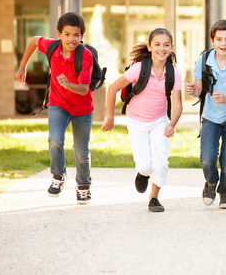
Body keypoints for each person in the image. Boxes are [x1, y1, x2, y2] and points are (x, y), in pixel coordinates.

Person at [15, 12, 94, 204]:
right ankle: (59, 176)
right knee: (55, 140)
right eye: (67, 34)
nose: (71, 39)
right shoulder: (51, 47)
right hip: (58, 104)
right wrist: (22, 66)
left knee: (81, 151)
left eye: (76, 35)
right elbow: (34, 40)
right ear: (59, 34)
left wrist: (68, 85)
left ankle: (83, 185)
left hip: (82, 109)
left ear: (82, 36)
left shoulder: (85, 55)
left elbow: (84, 89)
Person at [102, 28, 183, 212]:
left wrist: (171, 124)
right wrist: (110, 117)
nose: (161, 48)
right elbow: (113, 89)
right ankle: (143, 173)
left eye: (166, 45)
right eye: (157, 44)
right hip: (137, 121)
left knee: (161, 161)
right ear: (149, 47)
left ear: (171, 47)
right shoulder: (139, 68)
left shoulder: (174, 73)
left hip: (160, 121)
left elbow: (178, 105)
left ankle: (154, 198)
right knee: (145, 165)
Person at [185, 19, 226, 210]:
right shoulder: (203, 60)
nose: (223, 43)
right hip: (211, 117)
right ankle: (211, 183)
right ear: (212, 40)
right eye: (219, 39)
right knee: (207, 158)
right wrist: (193, 90)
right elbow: (198, 89)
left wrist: (225, 99)